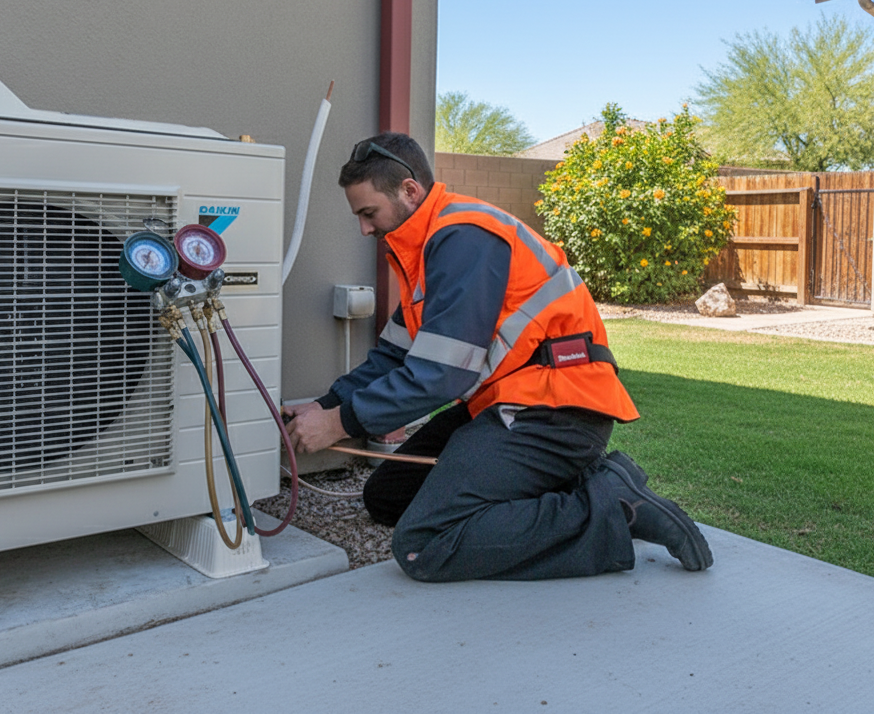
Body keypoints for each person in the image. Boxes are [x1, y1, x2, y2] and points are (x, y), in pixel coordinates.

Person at [283, 132, 712, 582]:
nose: (365, 229)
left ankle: (612, 507)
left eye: (368, 213)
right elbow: (392, 357)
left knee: (421, 545)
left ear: (409, 191)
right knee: (387, 498)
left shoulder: (464, 237)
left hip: (555, 413)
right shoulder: (427, 253)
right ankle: (578, 481)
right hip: (509, 405)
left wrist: (339, 424)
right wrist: (325, 405)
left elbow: (440, 376)